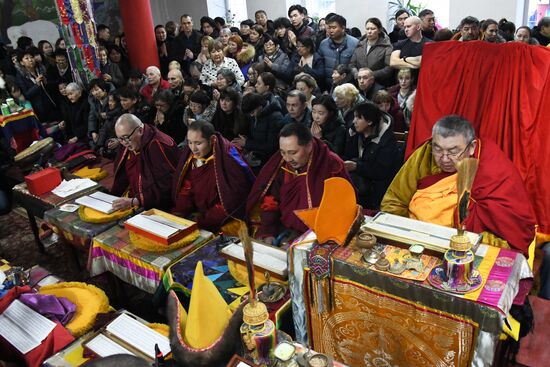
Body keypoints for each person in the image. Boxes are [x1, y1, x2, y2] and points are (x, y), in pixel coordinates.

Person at [381, 115, 536, 255]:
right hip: (414, 238)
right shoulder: (425, 154)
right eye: (438, 149)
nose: (445, 159)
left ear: (472, 147)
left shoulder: (492, 168)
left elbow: (514, 233)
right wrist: (405, 235)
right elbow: (394, 200)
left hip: (461, 247)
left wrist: (458, 241)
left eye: (453, 152)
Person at [246, 122, 350, 244]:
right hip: (284, 230)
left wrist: (301, 242)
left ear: (309, 146)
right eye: (283, 152)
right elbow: (271, 200)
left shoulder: (331, 165)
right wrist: (268, 231)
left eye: (293, 152)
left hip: (319, 236)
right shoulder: (282, 164)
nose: (287, 159)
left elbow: (342, 211)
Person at [172, 120, 254, 231]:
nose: (193, 148)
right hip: (197, 214)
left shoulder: (228, 159)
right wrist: (180, 211)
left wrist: (203, 220)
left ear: (212, 140)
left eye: (198, 143)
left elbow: (231, 201)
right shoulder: (191, 156)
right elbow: (186, 187)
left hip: (223, 219)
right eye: (190, 142)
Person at [111, 113, 180, 211]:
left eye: (126, 138)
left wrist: (134, 201)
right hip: (135, 196)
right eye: (120, 139)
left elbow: (167, 185)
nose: (124, 143)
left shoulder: (157, 145)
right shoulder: (129, 142)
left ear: (140, 130)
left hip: (160, 205)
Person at [343, 102, 400, 210]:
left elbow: (382, 171)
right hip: (360, 181)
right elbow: (348, 155)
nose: (354, 121)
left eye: (359, 118)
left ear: (369, 121)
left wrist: (357, 166)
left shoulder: (387, 140)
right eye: (354, 117)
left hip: (379, 188)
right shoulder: (355, 132)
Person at [237, 92, 285, 168]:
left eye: (252, 112)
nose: (251, 115)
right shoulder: (254, 113)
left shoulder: (275, 117)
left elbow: (272, 146)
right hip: (255, 153)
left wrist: (247, 143)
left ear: (260, 106)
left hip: (268, 160)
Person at [318, 14, 359, 90]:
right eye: (329, 28)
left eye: (334, 28)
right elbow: (320, 67)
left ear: (343, 28)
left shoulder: (355, 43)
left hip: (348, 87)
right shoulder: (323, 44)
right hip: (327, 86)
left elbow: (357, 66)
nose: (331, 30)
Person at [350, 17, 394, 87]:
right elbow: (352, 64)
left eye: (373, 29)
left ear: (379, 30)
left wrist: (370, 75)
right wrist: (358, 75)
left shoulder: (386, 46)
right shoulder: (360, 44)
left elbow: (388, 68)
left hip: (379, 84)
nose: (369, 31)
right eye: (367, 29)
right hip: (360, 83)